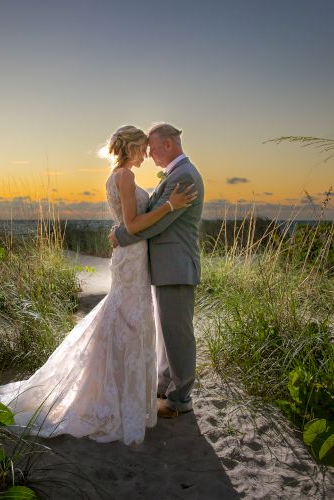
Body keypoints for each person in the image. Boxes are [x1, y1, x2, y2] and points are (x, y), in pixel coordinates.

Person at [0, 125, 196, 445]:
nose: (147, 154)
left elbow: (131, 222)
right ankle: (121, 395)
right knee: (128, 320)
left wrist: (148, 217)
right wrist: (169, 206)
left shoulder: (122, 175)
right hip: (131, 256)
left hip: (134, 256)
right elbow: (134, 224)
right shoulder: (125, 177)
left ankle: (127, 391)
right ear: (133, 147)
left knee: (129, 320)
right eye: (143, 148)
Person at [109, 123, 205, 419]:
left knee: (178, 333)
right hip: (165, 267)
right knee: (167, 331)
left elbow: (162, 222)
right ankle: (165, 385)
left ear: (168, 145)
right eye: (143, 149)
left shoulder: (185, 176)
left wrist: (121, 236)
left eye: (152, 148)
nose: (149, 155)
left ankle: (180, 401)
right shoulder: (176, 174)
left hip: (176, 266)